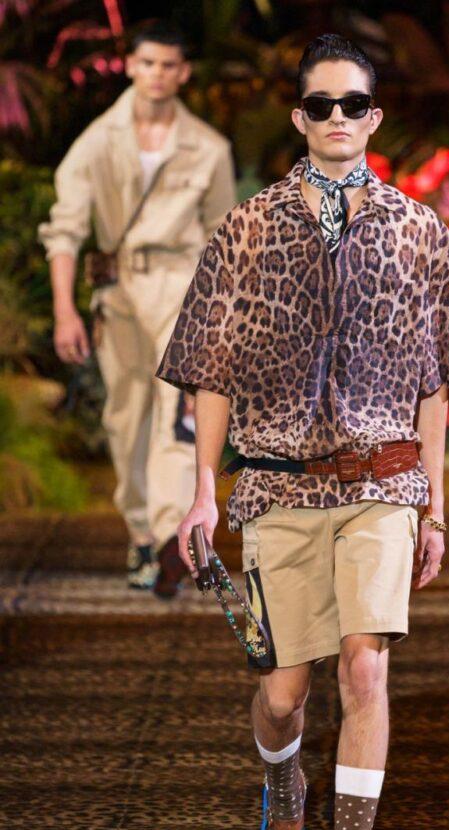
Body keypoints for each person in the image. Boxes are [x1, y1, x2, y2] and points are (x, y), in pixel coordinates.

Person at [157, 33, 449, 830]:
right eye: (320, 104)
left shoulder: (420, 232)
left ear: (374, 117)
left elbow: (436, 384)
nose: (337, 117)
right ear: (299, 117)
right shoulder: (248, 228)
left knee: (365, 669)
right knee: (283, 694)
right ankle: (283, 789)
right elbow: (211, 370)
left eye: (354, 104)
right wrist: (202, 494)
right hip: (276, 485)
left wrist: (434, 508)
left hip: (383, 479)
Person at [38, 20, 237, 597]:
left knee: (178, 409)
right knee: (126, 418)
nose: (156, 74)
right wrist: (64, 310)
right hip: (118, 288)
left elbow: (224, 239)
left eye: (168, 65)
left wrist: (221, 316)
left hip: (182, 286)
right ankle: (141, 535)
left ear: (183, 72)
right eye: (147, 62)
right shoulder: (98, 141)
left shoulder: (208, 147)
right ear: (130, 65)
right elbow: (64, 230)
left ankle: (175, 537)